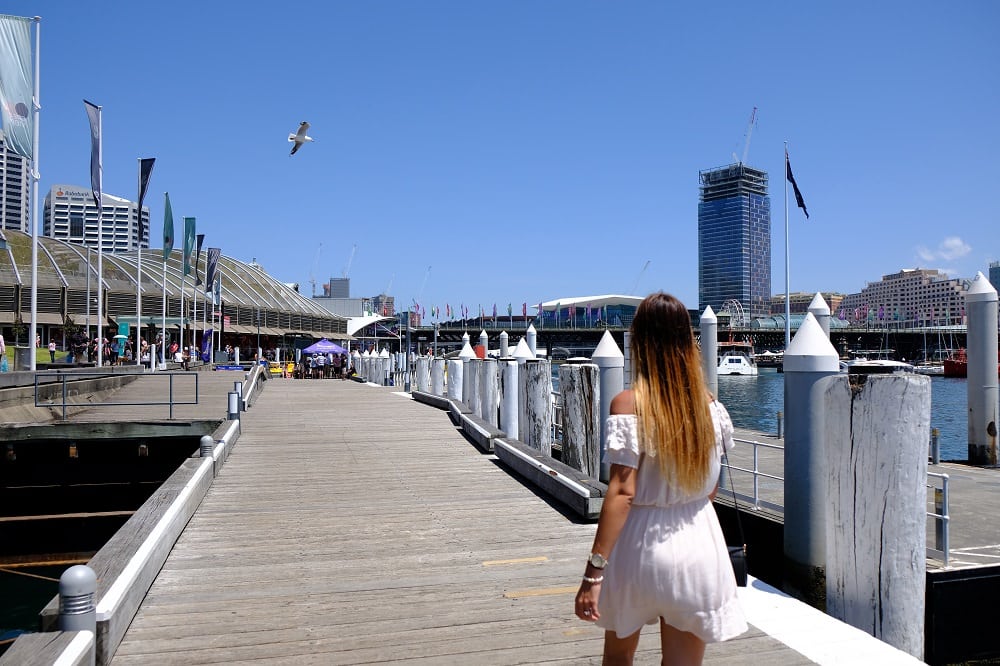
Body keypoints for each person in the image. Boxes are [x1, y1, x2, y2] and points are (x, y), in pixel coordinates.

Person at [574, 292, 746, 665]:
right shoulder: (712, 408)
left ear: (640, 341)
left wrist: (593, 572)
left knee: (619, 657)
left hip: (642, 547)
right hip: (699, 543)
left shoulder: (628, 404)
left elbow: (622, 492)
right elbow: (711, 487)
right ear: (688, 340)